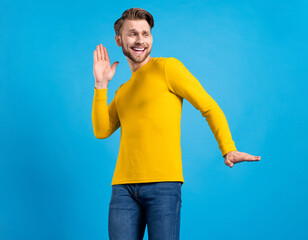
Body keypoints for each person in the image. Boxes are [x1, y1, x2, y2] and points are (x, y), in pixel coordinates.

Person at [92, 7, 261, 240]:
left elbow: (209, 107)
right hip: (123, 188)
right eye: (133, 34)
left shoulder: (167, 68)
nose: (140, 40)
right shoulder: (122, 91)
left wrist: (228, 148)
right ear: (118, 40)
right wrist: (101, 85)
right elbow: (101, 131)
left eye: (146, 33)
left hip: (163, 186)